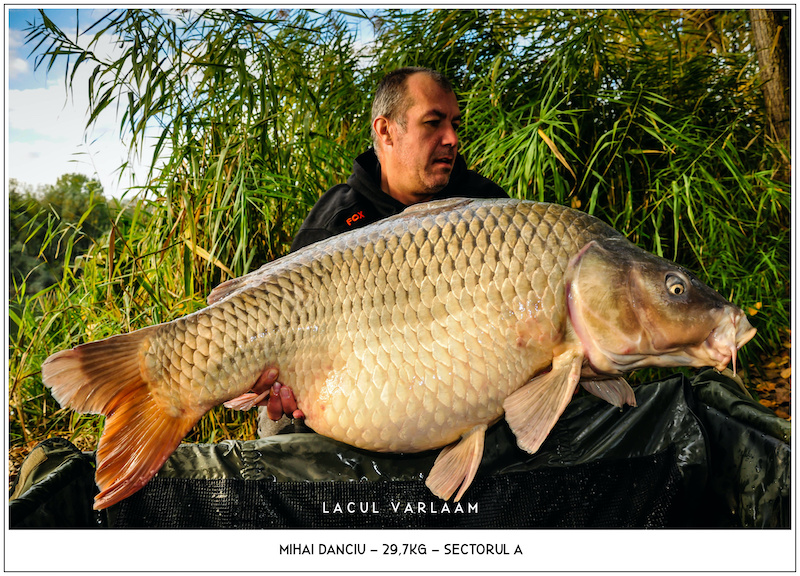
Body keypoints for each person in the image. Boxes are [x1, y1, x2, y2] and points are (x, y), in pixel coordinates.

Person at [253, 67, 507, 437]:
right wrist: (279, 389)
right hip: (360, 395)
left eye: (454, 123)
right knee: (278, 425)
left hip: (462, 383)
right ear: (385, 131)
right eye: (433, 123)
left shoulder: (486, 206)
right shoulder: (334, 224)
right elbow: (286, 338)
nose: (452, 139)